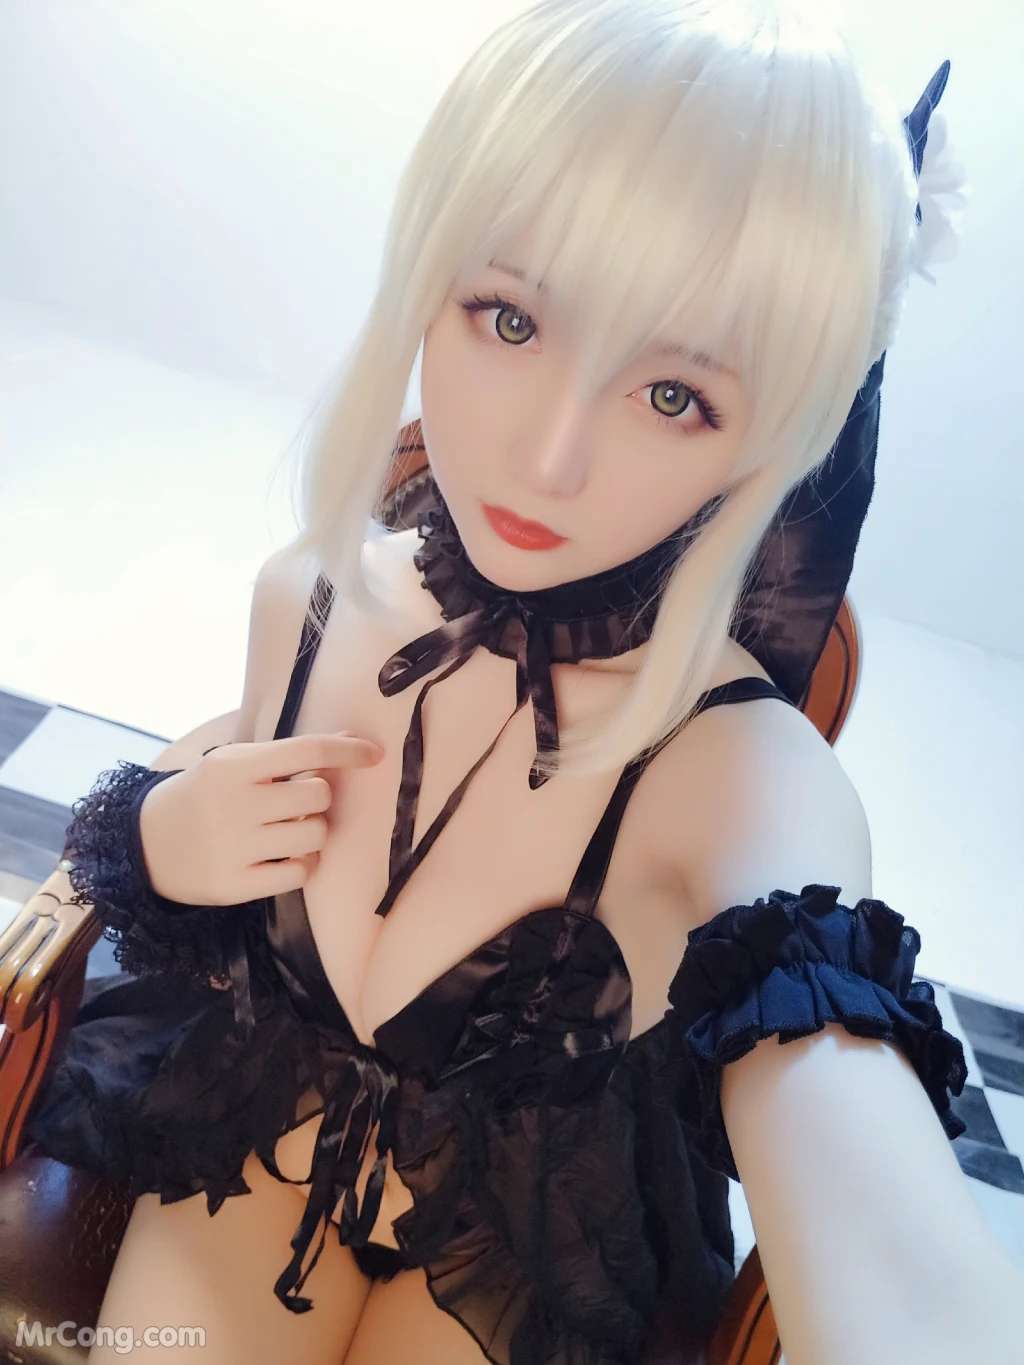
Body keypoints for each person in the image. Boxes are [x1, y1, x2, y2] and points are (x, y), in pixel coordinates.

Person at [21, 2, 1001, 1363]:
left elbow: (878, 1195)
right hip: (257, 1137)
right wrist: (162, 835)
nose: (547, 458)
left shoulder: (738, 772)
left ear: (772, 443)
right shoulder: (307, 596)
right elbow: (216, 764)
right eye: (510, 316)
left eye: (675, 395)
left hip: (529, 1239)